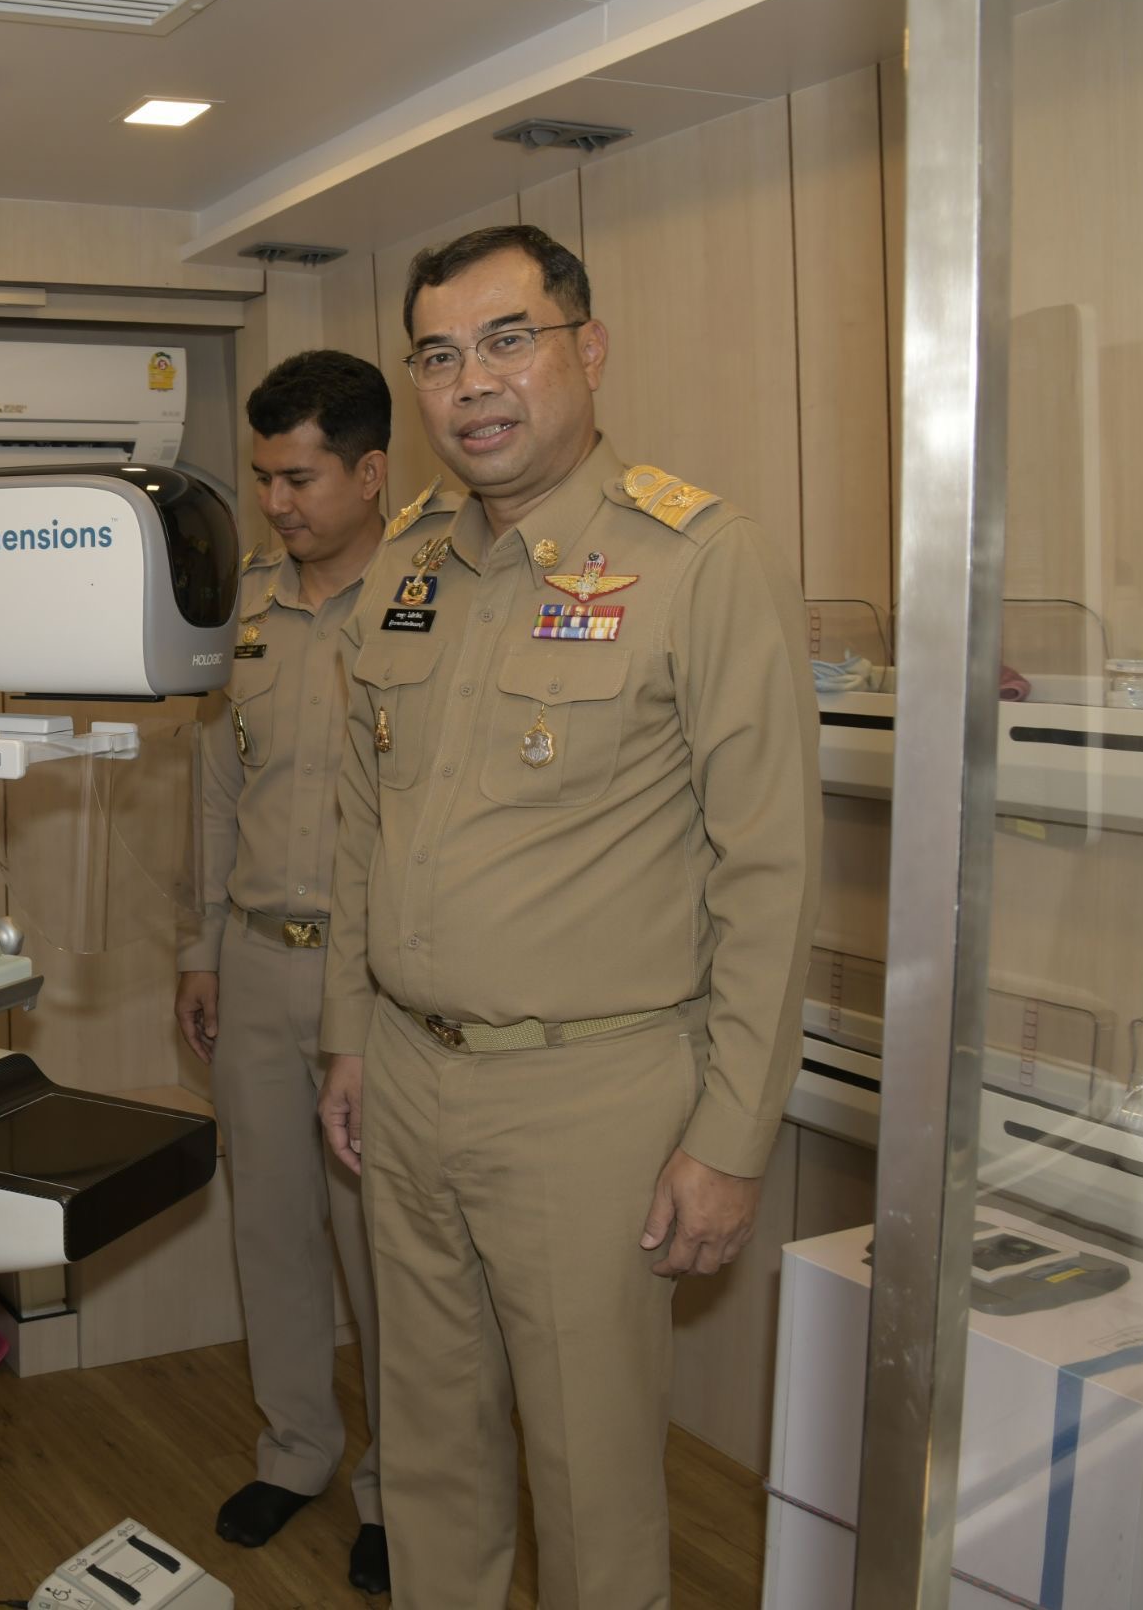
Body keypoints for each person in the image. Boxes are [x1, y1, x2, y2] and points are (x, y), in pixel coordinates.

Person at [314, 225, 821, 1608]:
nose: (471, 382)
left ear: (587, 352)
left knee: (591, 1485)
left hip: (591, 1100)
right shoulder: (407, 566)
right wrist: (348, 1035)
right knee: (429, 1455)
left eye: (507, 341)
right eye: (437, 356)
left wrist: (730, 1137)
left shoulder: (698, 560)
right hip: (407, 1079)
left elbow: (770, 871)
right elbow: (364, 825)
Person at [175, 349, 392, 1594]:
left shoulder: (428, 603)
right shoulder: (245, 608)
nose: (275, 502)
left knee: (385, 1251)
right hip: (255, 964)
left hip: (377, 985)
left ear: (370, 472)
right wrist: (199, 948)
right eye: (264, 477)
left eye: (300, 478)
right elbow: (216, 795)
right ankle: (299, 1449)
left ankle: (399, 1486)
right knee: (272, 1227)